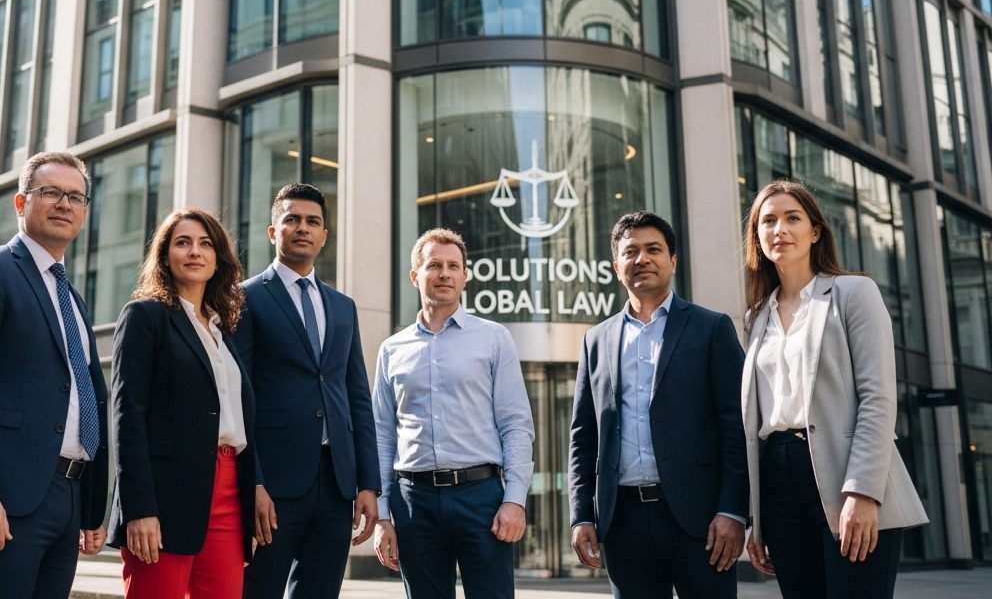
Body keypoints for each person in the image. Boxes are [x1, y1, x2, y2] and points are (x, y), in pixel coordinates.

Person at [740, 181, 927, 599]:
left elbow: (877, 399)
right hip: (778, 482)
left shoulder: (853, 293)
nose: (779, 229)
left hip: (845, 476)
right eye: (767, 221)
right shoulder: (756, 317)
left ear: (815, 231)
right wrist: (757, 517)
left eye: (792, 218)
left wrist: (862, 491)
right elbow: (755, 421)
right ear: (757, 237)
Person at [0, 151, 109, 599]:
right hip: (7, 495)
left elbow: (87, 395)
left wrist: (89, 507)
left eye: (75, 196)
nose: (64, 204)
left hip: (67, 495)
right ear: (20, 203)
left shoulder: (72, 297)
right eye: (50, 192)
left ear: (85, 212)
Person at [568, 212, 748, 599]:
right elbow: (583, 438)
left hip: (699, 520)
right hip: (623, 522)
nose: (642, 259)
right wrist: (582, 514)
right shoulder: (595, 341)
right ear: (617, 267)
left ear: (673, 261)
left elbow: (737, 426)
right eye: (630, 252)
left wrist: (733, 511)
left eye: (653, 249)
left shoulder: (711, 327)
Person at [234, 184, 380, 599]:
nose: (303, 228)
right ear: (272, 231)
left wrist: (368, 483)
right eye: (292, 220)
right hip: (274, 486)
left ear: (324, 235)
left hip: (336, 485)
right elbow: (238, 398)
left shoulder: (342, 306)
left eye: (313, 221)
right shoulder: (244, 298)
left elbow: (356, 399)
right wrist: (253, 483)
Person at [372, 229, 534, 599]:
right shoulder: (392, 349)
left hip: (482, 498)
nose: (444, 273)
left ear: (464, 276)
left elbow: (517, 425)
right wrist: (382, 515)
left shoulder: (493, 338)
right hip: (414, 502)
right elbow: (382, 433)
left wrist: (514, 500)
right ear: (415, 276)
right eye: (434, 265)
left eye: (453, 266)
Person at [110, 208, 257, 599]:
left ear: (218, 258)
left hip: (229, 491)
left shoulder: (221, 329)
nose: (195, 251)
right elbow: (128, 417)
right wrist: (139, 507)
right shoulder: (146, 316)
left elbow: (239, 419)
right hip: (166, 494)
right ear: (165, 255)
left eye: (205, 244)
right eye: (183, 242)